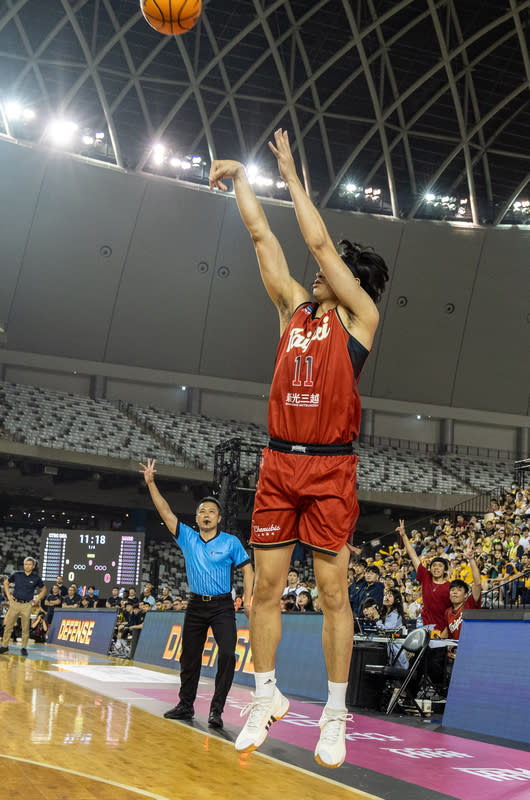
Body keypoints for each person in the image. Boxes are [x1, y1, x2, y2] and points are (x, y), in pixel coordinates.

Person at [209, 129, 389, 768]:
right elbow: (267, 241)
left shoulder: (360, 316)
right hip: (279, 463)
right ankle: (266, 698)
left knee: (334, 593)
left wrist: (290, 172)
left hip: (331, 467)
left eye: (334, 267)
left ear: (354, 281)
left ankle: (335, 716)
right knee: (264, 589)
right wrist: (241, 183)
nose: (318, 269)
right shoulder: (292, 311)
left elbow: (314, 240)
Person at [140, 458, 254, 730]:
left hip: (222, 607)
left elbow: (248, 570)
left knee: (227, 654)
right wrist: (151, 483)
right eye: (202, 511)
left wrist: (249, 600)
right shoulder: (187, 537)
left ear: (218, 518)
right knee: (189, 657)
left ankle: (217, 710)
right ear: (197, 518)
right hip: (195, 606)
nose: (206, 515)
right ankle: (185, 705)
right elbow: (166, 512)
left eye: (211, 512)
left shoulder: (231, 542)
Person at [398, 520, 450, 632]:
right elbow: (413, 555)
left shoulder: (450, 587)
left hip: (443, 631)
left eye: (440, 566)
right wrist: (404, 535)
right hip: (424, 629)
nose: (436, 568)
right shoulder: (426, 578)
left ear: (445, 570)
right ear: (430, 568)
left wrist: (447, 630)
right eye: (434, 565)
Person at [0, 557, 46, 656]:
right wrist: (9, 596)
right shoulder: (17, 575)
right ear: (24, 565)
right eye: (26, 564)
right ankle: (4, 646)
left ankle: (24, 647)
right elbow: (5, 583)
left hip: (27, 605)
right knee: (8, 625)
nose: (27, 566)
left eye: (29, 564)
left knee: (25, 628)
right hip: (15, 603)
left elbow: (44, 590)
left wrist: (35, 601)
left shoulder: (36, 578)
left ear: (33, 566)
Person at [440, 545, 482, 641]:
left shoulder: (470, 604)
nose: (455, 592)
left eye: (459, 590)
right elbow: (447, 633)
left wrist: (471, 560)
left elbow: (478, 583)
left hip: (471, 647)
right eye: (452, 590)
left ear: (466, 594)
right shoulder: (447, 612)